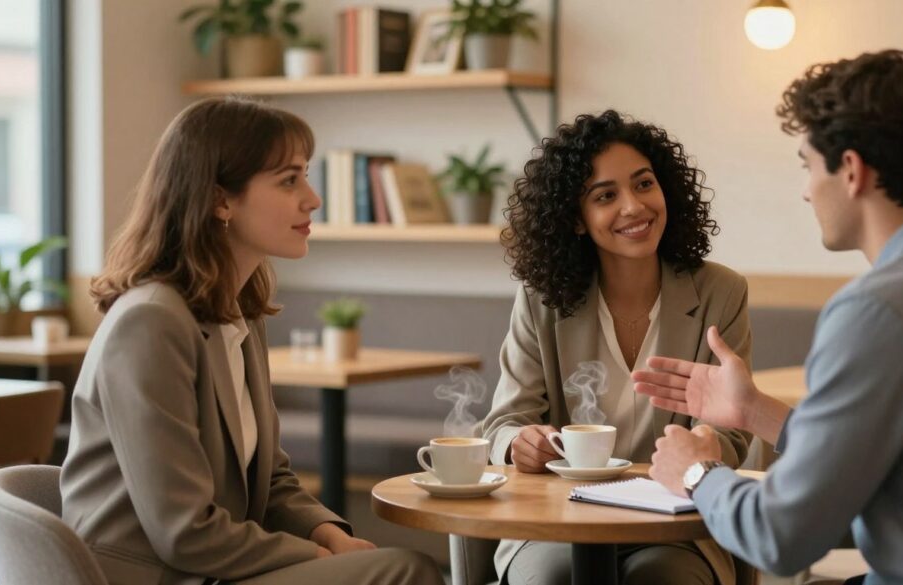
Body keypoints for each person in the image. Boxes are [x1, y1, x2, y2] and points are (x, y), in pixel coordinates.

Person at [633, 50, 903, 585]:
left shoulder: (876, 311)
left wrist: (696, 472)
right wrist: (754, 411)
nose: (807, 188)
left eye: (809, 165)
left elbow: (781, 536)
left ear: (852, 171)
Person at [60, 97, 443, 585]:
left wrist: (325, 531)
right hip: (160, 576)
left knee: (392, 565)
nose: (313, 198)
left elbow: (269, 474)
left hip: (212, 568)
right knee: (405, 571)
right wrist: (314, 558)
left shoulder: (238, 312)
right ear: (221, 200)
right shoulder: (151, 323)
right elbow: (182, 532)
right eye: (289, 180)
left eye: (306, 175)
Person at [478, 109, 753, 585]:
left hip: (673, 527)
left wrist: (711, 444)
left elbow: (732, 433)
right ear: (577, 220)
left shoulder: (720, 293)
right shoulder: (540, 299)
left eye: (644, 184)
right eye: (605, 196)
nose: (633, 206)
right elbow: (505, 423)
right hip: (556, 522)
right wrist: (517, 445)